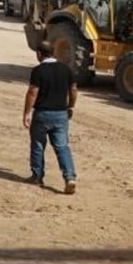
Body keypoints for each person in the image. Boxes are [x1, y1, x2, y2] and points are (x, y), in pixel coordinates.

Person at [23, 41, 77, 194]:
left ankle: (37, 177)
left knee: (38, 145)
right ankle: (69, 177)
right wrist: (71, 106)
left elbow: (32, 92)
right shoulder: (66, 69)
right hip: (61, 114)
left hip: (42, 114)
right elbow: (73, 89)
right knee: (62, 147)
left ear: (39, 53)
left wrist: (27, 113)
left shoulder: (38, 71)